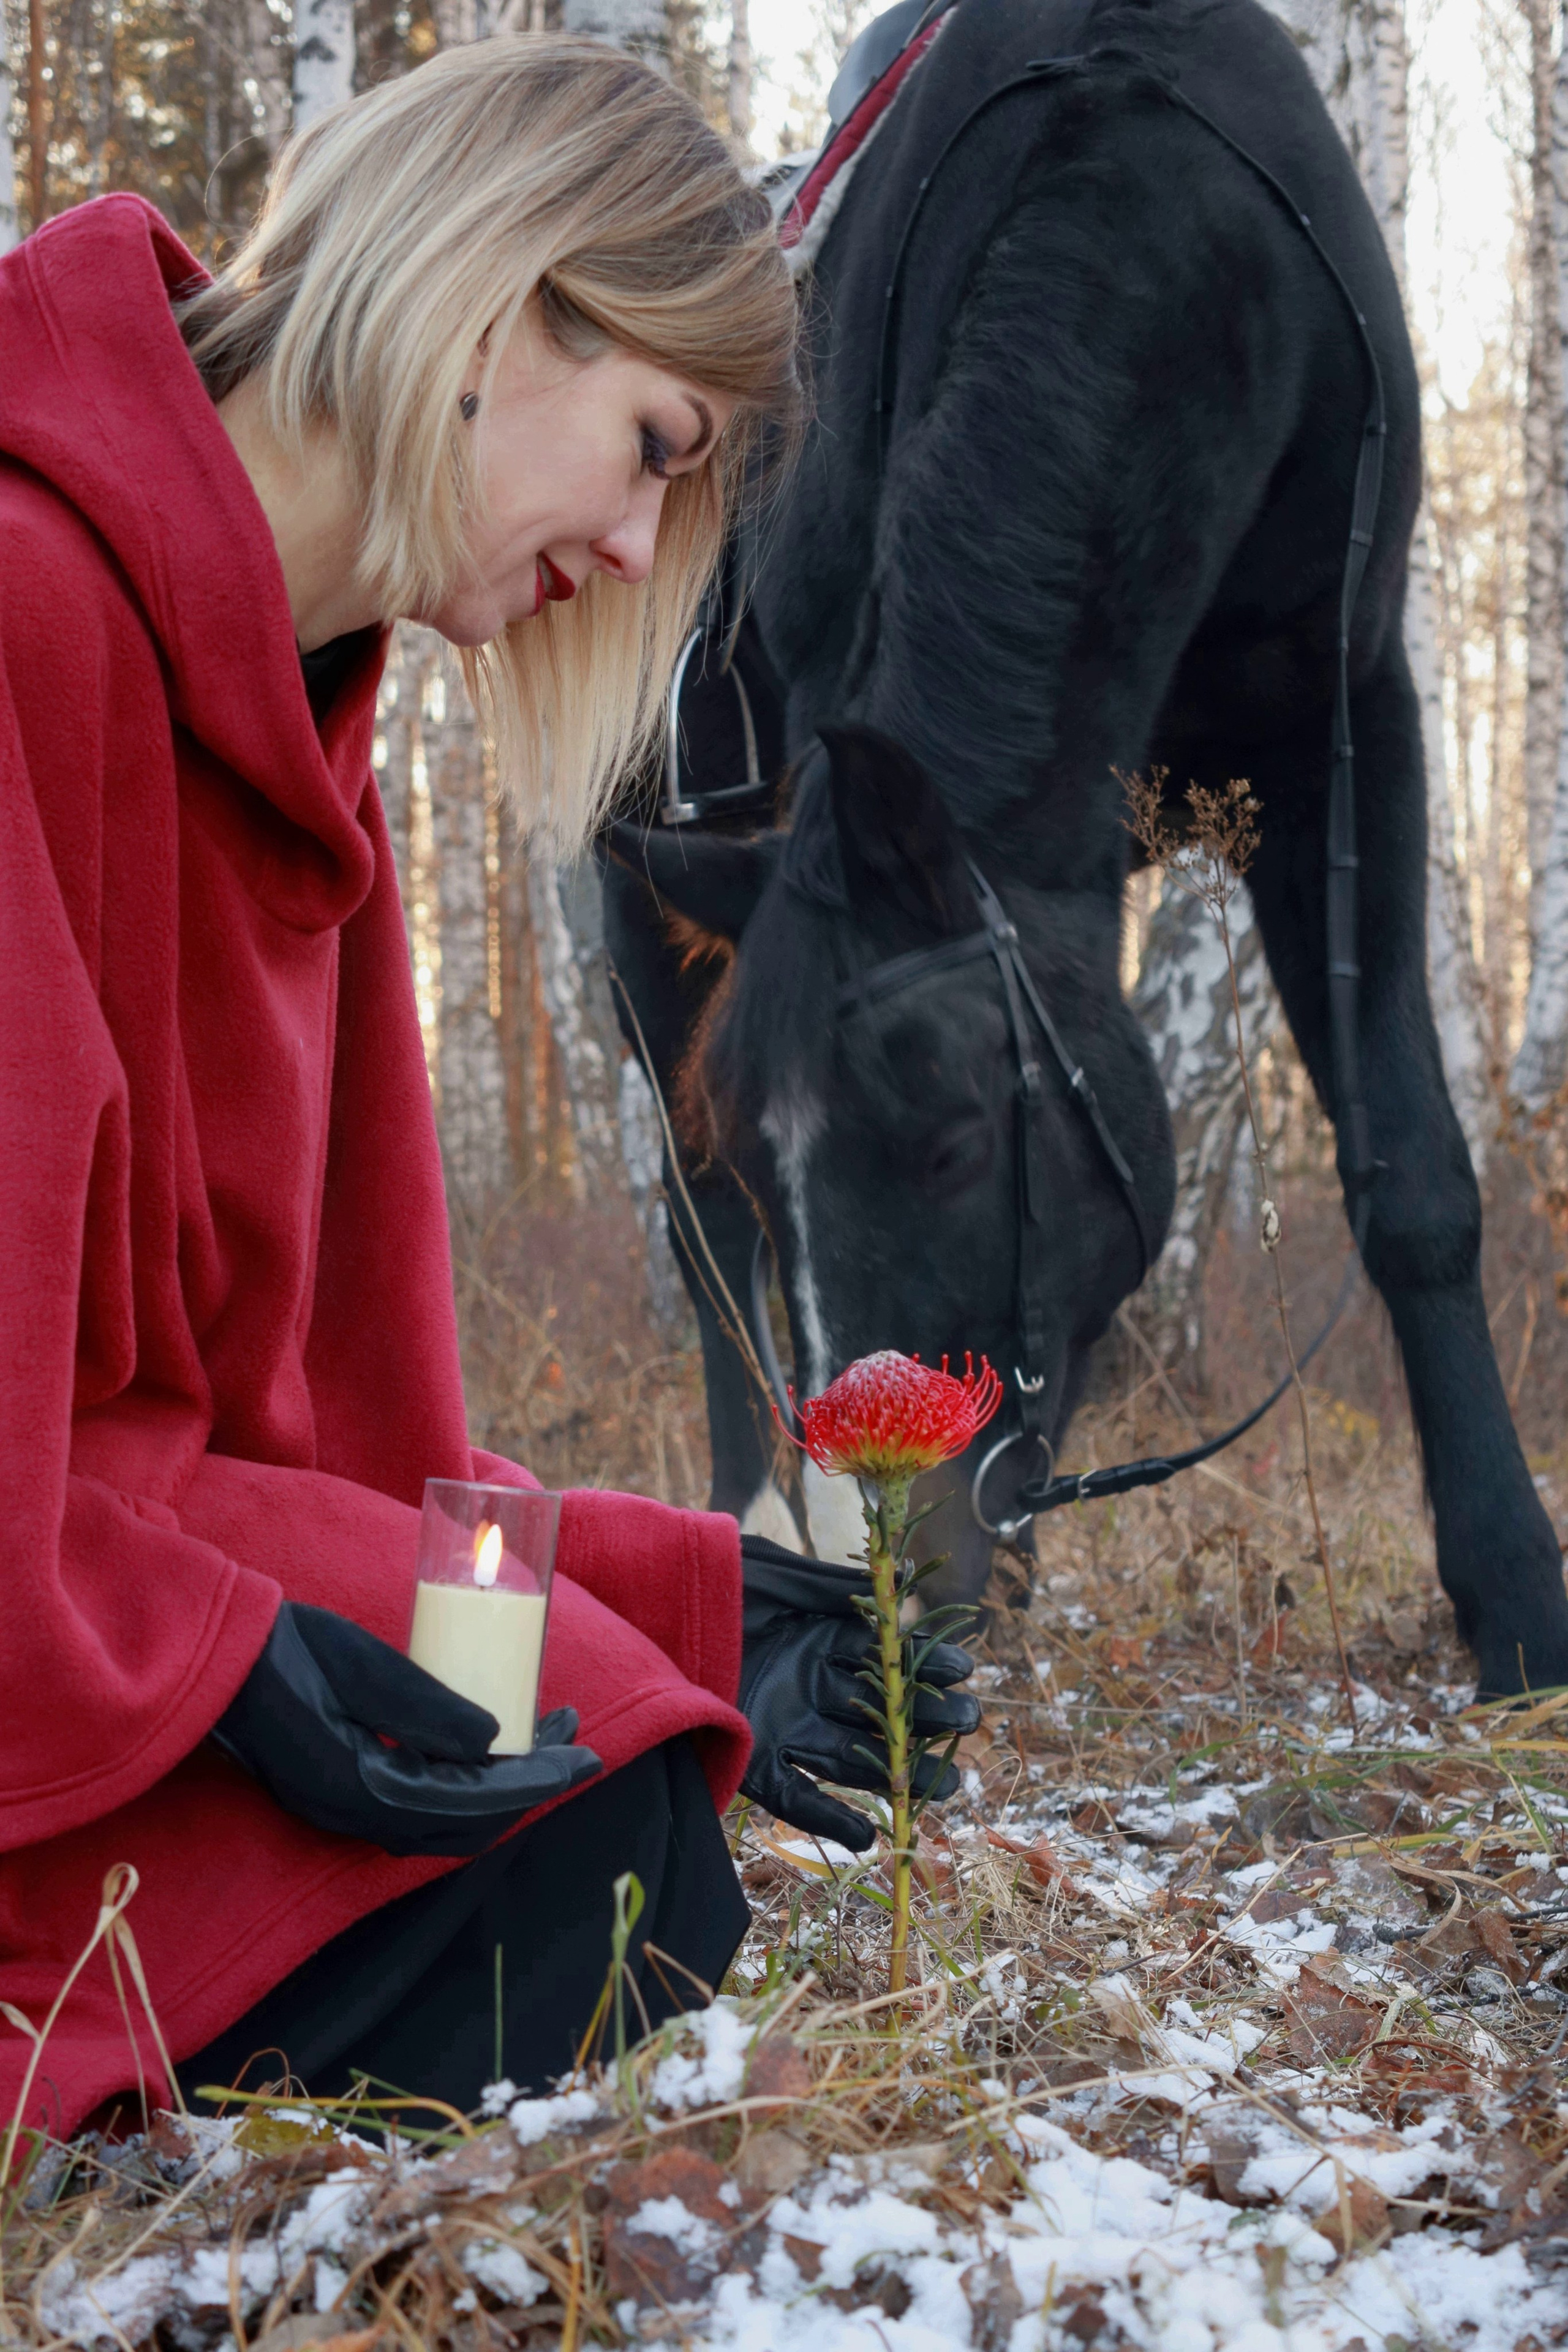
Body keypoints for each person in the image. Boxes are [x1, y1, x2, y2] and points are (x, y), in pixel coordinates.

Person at [0, 35, 979, 2135]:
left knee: (600, 1826)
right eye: (647, 443)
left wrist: (705, 1601)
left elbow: (337, 1466)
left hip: (96, 1624)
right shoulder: (24, 610)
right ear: (491, 291)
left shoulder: (306, 774)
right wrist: (214, 1661)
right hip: (33, 1679)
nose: (638, 554)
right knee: (584, 1878)